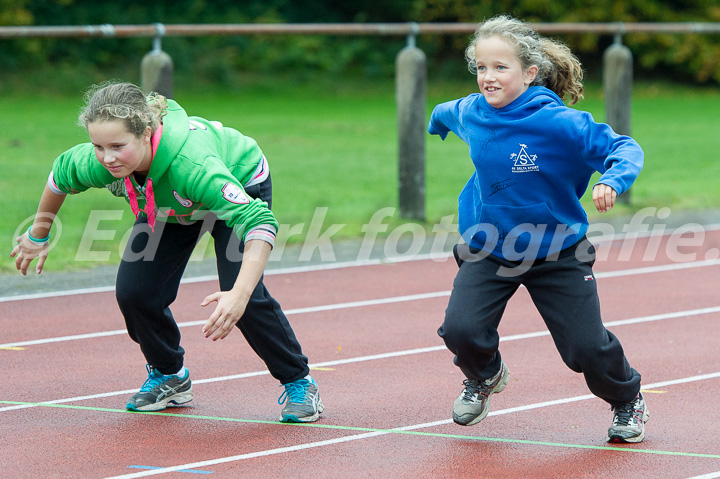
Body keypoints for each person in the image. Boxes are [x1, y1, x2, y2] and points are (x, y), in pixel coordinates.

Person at [10, 81, 323, 423]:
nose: (108, 157)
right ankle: (170, 375)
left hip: (237, 183)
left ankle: (299, 381)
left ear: (146, 133)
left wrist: (240, 293)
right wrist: (37, 234)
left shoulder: (193, 165)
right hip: (169, 204)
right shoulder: (101, 160)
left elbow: (259, 223)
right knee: (135, 292)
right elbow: (59, 177)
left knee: (244, 298)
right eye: (98, 146)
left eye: (117, 146)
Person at [428, 15, 648, 443]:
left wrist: (611, 180)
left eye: (500, 68)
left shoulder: (560, 123)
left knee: (585, 348)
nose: (488, 78)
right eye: (481, 68)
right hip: (489, 244)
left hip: (558, 251)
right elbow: (442, 114)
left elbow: (624, 146)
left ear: (529, 73)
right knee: (461, 330)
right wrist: (435, 125)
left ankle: (627, 399)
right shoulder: (470, 112)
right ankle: (485, 375)